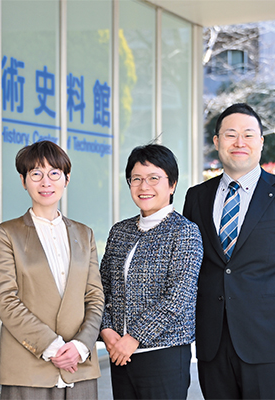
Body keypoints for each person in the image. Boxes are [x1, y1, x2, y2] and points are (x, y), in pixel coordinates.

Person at [182, 103, 275, 399]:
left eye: (248, 135)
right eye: (230, 134)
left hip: (270, 337)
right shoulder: (197, 197)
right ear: (216, 142)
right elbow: (193, 264)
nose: (239, 142)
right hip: (213, 341)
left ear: (261, 142)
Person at [0, 140, 104, 399]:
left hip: (79, 366)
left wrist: (80, 345)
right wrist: (53, 347)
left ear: (66, 179)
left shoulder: (84, 234)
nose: (45, 182)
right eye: (36, 174)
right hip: (28, 368)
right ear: (23, 180)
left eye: (54, 173)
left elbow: (95, 297)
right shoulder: (6, 234)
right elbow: (7, 301)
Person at [99, 143, 203, 399]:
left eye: (154, 178)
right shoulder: (120, 231)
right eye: (136, 179)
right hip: (119, 353)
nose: (144, 186)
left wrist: (134, 337)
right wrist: (106, 330)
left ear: (172, 184)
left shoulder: (185, 231)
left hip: (163, 355)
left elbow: (178, 296)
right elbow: (101, 287)